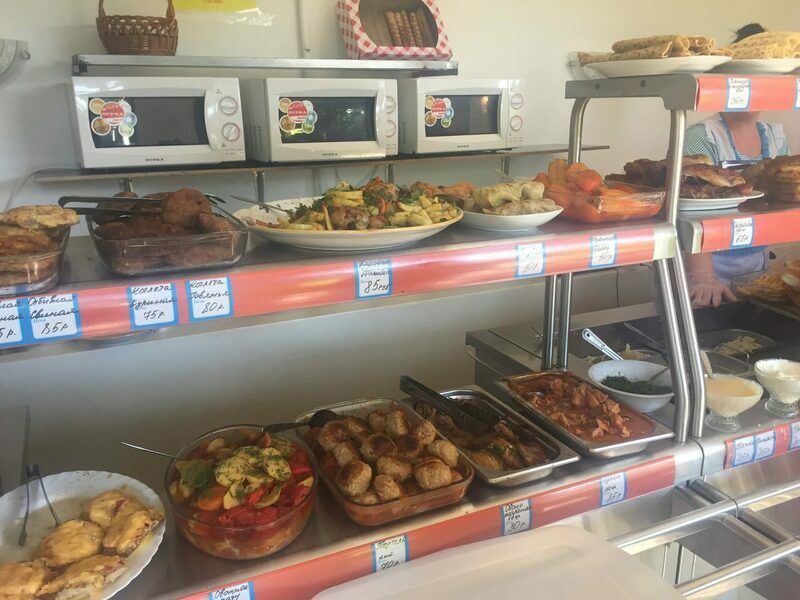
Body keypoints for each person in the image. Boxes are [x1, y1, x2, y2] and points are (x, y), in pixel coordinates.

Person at [683, 23, 791, 307]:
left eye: (763, 82)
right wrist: (702, 277)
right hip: (705, 265)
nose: (755, 91)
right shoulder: (702, 138)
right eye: (747, 81)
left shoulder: (776, 139)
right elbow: (687, 211)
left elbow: (788, 202)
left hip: (756, 262)